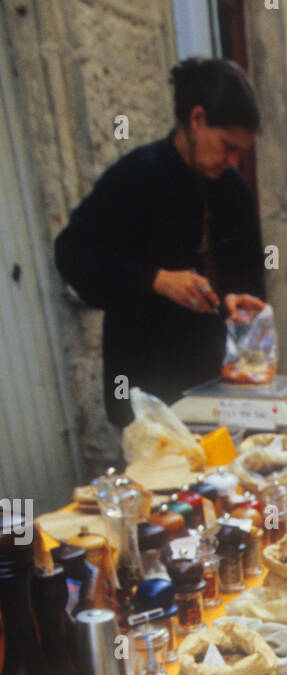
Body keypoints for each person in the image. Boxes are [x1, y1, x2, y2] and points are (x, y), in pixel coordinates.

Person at [55, 58, 267, 427]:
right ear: (196, 119)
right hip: (147, 387)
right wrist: (155, 279)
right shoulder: (136, 176)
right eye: (227, 146)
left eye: (240, 152)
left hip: (217, 384)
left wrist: (237, 298)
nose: (233, 161)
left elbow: (247, 273)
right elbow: (73, 255)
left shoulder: (234, 190)